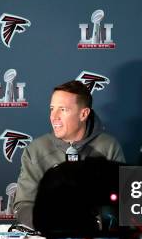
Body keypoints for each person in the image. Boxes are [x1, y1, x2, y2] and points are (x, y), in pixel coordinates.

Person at [14, 80, 125, 229]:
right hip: (51, 236)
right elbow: (23, 205)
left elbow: (123, 201)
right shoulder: (35, 150)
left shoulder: (109, 146)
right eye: (52, 109)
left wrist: (94, 224)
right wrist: (50, 223)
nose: (54, 116)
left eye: (63, 109)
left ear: (83, 114)